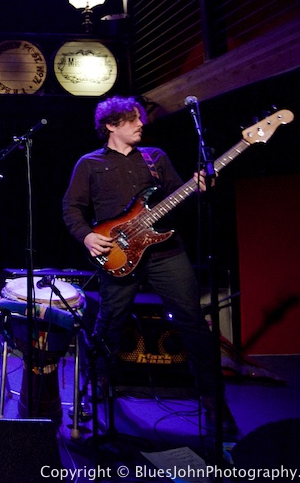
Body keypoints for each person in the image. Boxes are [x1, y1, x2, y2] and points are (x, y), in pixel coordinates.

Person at [61, 95, 236, 436]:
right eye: (133, 120)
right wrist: (86, 236)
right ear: (112, 126)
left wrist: (199, 188)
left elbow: (177, 197)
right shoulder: (89, 163)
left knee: (194, 326)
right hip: (118, 254)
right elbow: (71, 207)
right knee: (109, 327)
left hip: (165, 252)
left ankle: (215, 404)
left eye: (140, 119)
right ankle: (95, 391)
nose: (142, 124)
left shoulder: (155, 158)